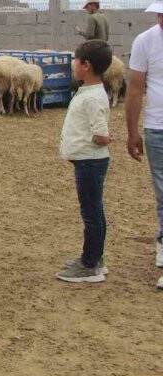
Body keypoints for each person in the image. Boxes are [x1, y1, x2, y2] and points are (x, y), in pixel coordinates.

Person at [56, 40, 113, 283]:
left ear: (85, 65)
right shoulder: (89, 92)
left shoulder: (92, 97)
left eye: (75, 60)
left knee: (91, 213)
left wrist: (105, 138)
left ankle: (89, 265)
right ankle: (95, 258)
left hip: (91, 162)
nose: (73, 64)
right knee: (94, 211)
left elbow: (100, 134)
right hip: (87, 161)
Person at [126, 0, 163, 290]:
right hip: (157, 128)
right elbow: (135, 89)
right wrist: (132, 131)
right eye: (160, 14)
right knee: (162, 193)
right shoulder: (145, 41)